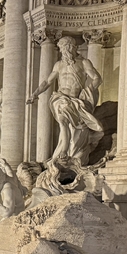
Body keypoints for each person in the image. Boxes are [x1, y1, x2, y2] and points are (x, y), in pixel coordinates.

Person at [26, 36, 104, 166]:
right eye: (61, 49)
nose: (62, 52)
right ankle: (64, 148)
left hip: (76, 101)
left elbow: (97, 79)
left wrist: (88, 91)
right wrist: (35, 94)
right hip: (60, 98)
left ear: (70, 47)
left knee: (74, 128)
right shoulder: (58, 65)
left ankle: (68, 151)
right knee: (63, 118)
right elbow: (47, 82)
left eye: (63, 48)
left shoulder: (84, 62)